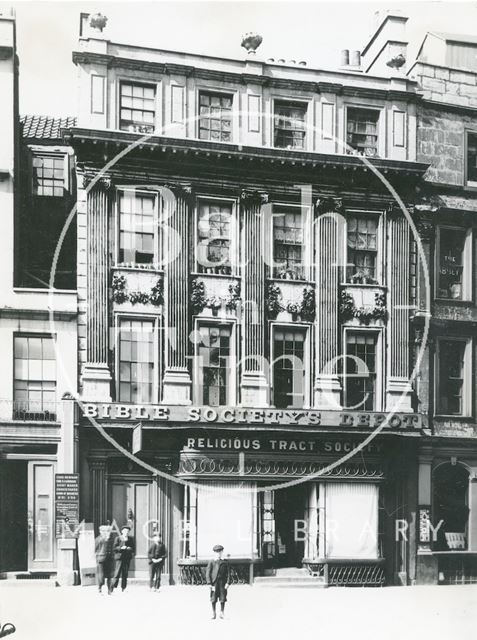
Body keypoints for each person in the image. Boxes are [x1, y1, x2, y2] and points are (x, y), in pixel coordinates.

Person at [206, 544, 230, 620]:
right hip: (214, 582)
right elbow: (208, 573)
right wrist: (209, 583)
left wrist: (228, 583)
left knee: (223, 597)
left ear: (222, 552)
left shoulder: (225, 562)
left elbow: (229, 573)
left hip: (222, 583)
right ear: (214, 553)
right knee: (213, 597)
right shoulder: (212, 562)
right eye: (217, 552)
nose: (218, 554)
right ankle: (213, 613)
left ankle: (222, 612)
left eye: (220, 552)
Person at [112, 525, 135, 592]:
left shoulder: (130, 539)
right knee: (117, 573)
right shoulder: (118, 538)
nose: (126, 532)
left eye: (128, 531)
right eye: (125, 531)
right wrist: (121, 548)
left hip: (127, 558)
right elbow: (114, 548)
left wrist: (129, 548)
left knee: (125, 574)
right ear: (122, 531)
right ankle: (113, 587)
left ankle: (123, 588)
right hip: (120, 558)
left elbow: (133, 548)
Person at [95, 524, 114, 595]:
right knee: (101, 575)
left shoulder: (110, 539)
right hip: (101, 558)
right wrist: (97, 556)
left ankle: (109, 590)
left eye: (108, 531)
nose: (107, 532)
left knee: (109, 575)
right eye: (105, 531)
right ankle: (100, 589)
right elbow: (95, 549)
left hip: (109, 558)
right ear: (101, 531)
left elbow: (112, 548)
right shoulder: (98, 539)